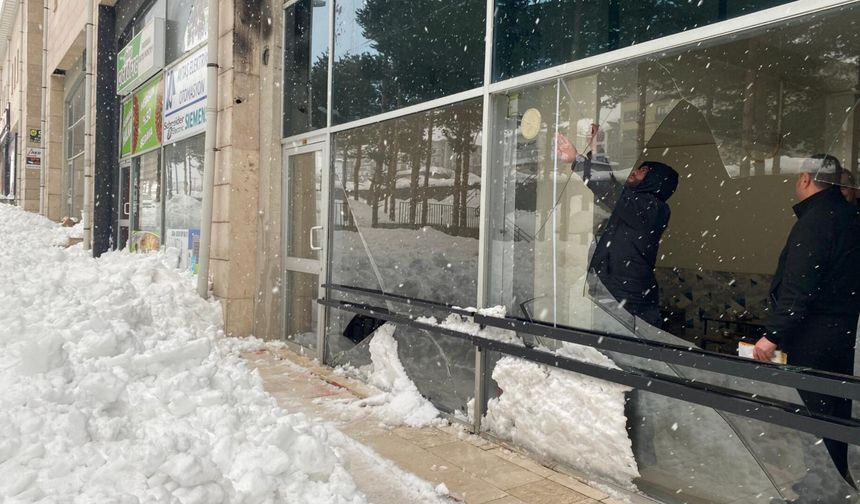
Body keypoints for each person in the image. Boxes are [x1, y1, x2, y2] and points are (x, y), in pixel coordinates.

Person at [753, 154, 860, 487]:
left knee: (813, 412)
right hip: (845, 331)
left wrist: (773, 335)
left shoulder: (816, 221)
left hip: (813, 335)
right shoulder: (850, 216)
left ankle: (822, 485)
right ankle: (834, 478)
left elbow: (799, 287)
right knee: (835, 410)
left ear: (805, 180)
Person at [557, 132, 678, 328]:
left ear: (655, 179)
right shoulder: (632, 204)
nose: (635, 171)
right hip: (612, 288)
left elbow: (609, 189)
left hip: (627, 295)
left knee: (623, 343)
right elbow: (611, 187)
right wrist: (597, 150)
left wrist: (577, 160)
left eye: (644, 170)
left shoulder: (653, 209)